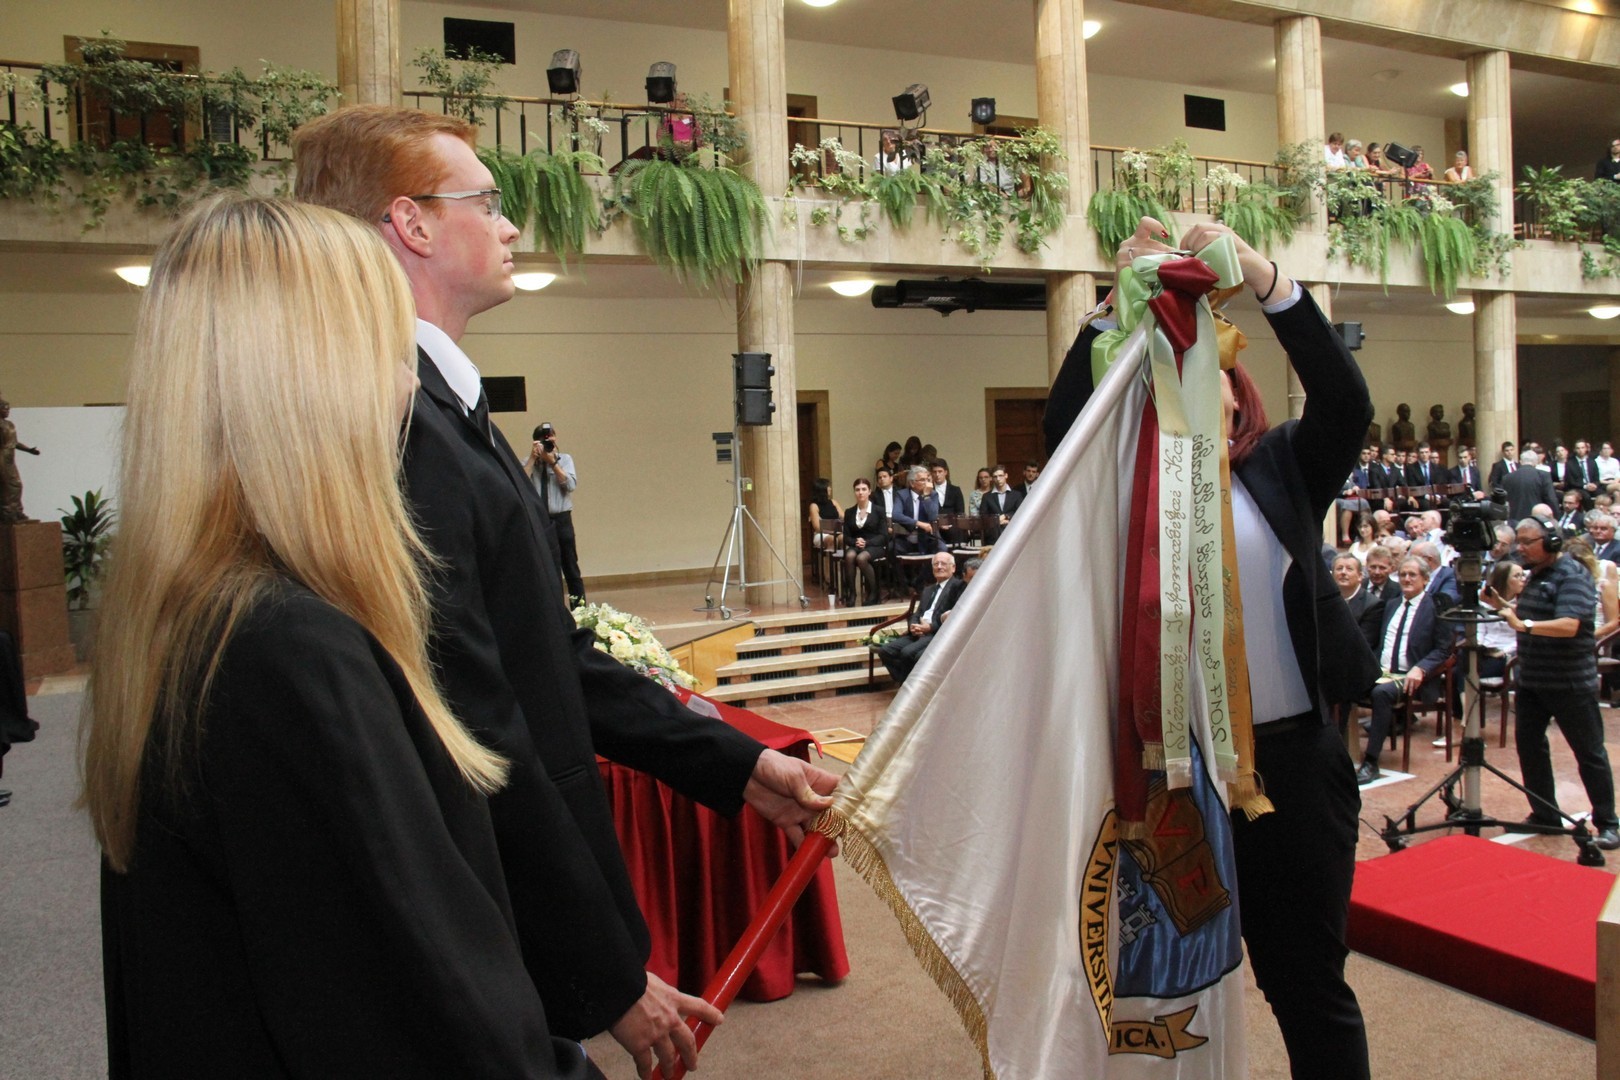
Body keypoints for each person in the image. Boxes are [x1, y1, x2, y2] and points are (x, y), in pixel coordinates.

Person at [294, 105, 837, 1078]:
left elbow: (544, 655)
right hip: (473, 909)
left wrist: (736, 765)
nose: (510, 225)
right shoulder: (396, 422)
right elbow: (479, 722)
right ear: (412, 223)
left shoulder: (439, 404)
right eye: (487, 202)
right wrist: (605, 971)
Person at [84, 196, 595, 1078]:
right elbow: (439, 1019)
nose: (408, 388)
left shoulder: (193, 620)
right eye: (388, 352)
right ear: (310, 380)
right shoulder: (293, 654)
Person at [1046, 217, 1376, 1079]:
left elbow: (1346, 402)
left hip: (1290, 770)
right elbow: (1062, 435)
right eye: (1171, 377)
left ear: (1238, 394)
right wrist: (1109, 306)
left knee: (1307, 984)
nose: (1192, 389)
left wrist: (1267, 278)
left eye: (1209, 374)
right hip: (1173, 776)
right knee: (1174, 992)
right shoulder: (1126, 494)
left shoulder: (1286, 467)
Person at [1498, 517, 1620, 848]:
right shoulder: (1535, 575)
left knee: (1589, 752)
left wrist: (1523, 625)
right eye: (1518, 542)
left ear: (1551, 542)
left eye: (1527, 542)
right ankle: (1545, 814)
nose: (1520, 548)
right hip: (1532, 680)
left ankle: (1608, 823)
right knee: (1530, 748)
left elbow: (1569, 625)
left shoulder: (1573, 575)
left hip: (1569, 682)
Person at [876, 551, 962, 684]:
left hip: (936, 633)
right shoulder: (928, 589)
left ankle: (906, 686)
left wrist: (930, 627)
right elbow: (918, 613)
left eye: (943, 564)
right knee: (885, 651)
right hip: (918, 632)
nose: (939, 567)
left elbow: (955, 617)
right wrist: (913, 625)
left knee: (907, 653)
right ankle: (907, 682)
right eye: (936, 564)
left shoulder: (958, 587)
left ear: (953, 568)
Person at [524, 422, 585, 606]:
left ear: (555, 438)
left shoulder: (564, 459)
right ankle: (557, 612)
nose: (548, 442)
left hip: (562, 519)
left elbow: (570, 485)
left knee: (570, 566)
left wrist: (553, 463)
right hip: (540, 520)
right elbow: (520, 484)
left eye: (550, 437)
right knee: (549, 568)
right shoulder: (529, 462)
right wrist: (533, 459)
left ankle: (579, 610)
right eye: (543, 439)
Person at [1478, 558, 1526, 680]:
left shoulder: (1523, 605)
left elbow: (1521, 637)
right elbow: (1480, 631)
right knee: (1462, 664)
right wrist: (1479, 647)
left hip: (1507, 653)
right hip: (1485, 650)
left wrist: (1504, 652)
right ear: (1504, 580)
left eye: (1523, 575)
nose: (1523, 579)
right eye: (1517, 576)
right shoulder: (1485, 601)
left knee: (1473, 671)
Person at [841, 477, 887, 606]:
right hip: (856, 545)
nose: (860, 492)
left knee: (861, 558)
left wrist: (867, 542)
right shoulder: (849, 512)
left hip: (874, 545)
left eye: (863, 489)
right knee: (849, 555)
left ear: (869, 491)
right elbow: (846, 537)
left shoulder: (878, 510)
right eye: (857, 490)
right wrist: (855, 541)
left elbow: (883, 536)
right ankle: (852, 593)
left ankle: (873, 592)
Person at [0, 394, 42, 524]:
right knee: (7, 486)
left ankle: (17, 511)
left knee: (17, 485)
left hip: (9, 457)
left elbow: (14, 443)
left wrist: (29, 450)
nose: (7, 411)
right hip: (1, 457)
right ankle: (7, 513)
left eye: (8, 409)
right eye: (5, 409)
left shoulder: (10, 424)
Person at [1335, 552, 1385, 651]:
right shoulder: (1324, 600)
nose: (1343, 572)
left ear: (1360, 576)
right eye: (1339, 568)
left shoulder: (1373, 605)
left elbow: (1364, 643)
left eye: (1349, 569)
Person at [1502, 449, 1557, 522]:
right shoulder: (1543, 476)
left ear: (1520, 461)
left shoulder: (1507, 477)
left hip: (1514, 519)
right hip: (1536, 519)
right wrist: (1556, 518)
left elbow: (1504, 501)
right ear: (1536, 462)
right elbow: (1551, 499)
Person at [807, 477, 843, 551]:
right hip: (821, 534)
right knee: (832, 539)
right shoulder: (814, 506)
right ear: (822, 489)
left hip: (836, 532)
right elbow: (818, 527)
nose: (830, 489)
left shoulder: (834, 502)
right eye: (828, 487)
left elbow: (844, 517)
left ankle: (845, 558)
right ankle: (828, 558)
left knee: (844, 538)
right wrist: (835, 526)